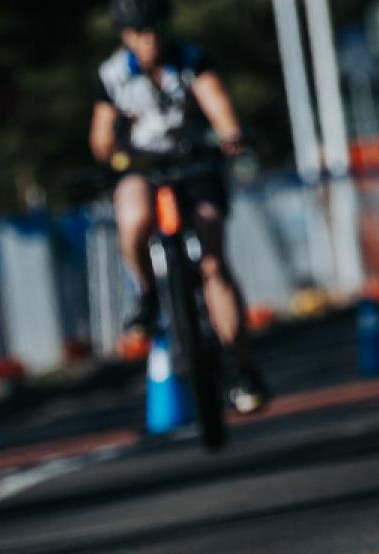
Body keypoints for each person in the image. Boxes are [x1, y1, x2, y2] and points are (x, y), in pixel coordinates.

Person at [90, 0, 271, 413]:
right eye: (138, 31)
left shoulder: (192, 60)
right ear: (125, 36)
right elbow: (99, 138)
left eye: (154, 28)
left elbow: (219, 107)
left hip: (195, 163)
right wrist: (113, 148)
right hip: (143, 167)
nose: (149, 38)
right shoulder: (113, 74)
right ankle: (148, 293)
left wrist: (231, 135)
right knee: (133, 217)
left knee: (214, 262)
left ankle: (243, 368)